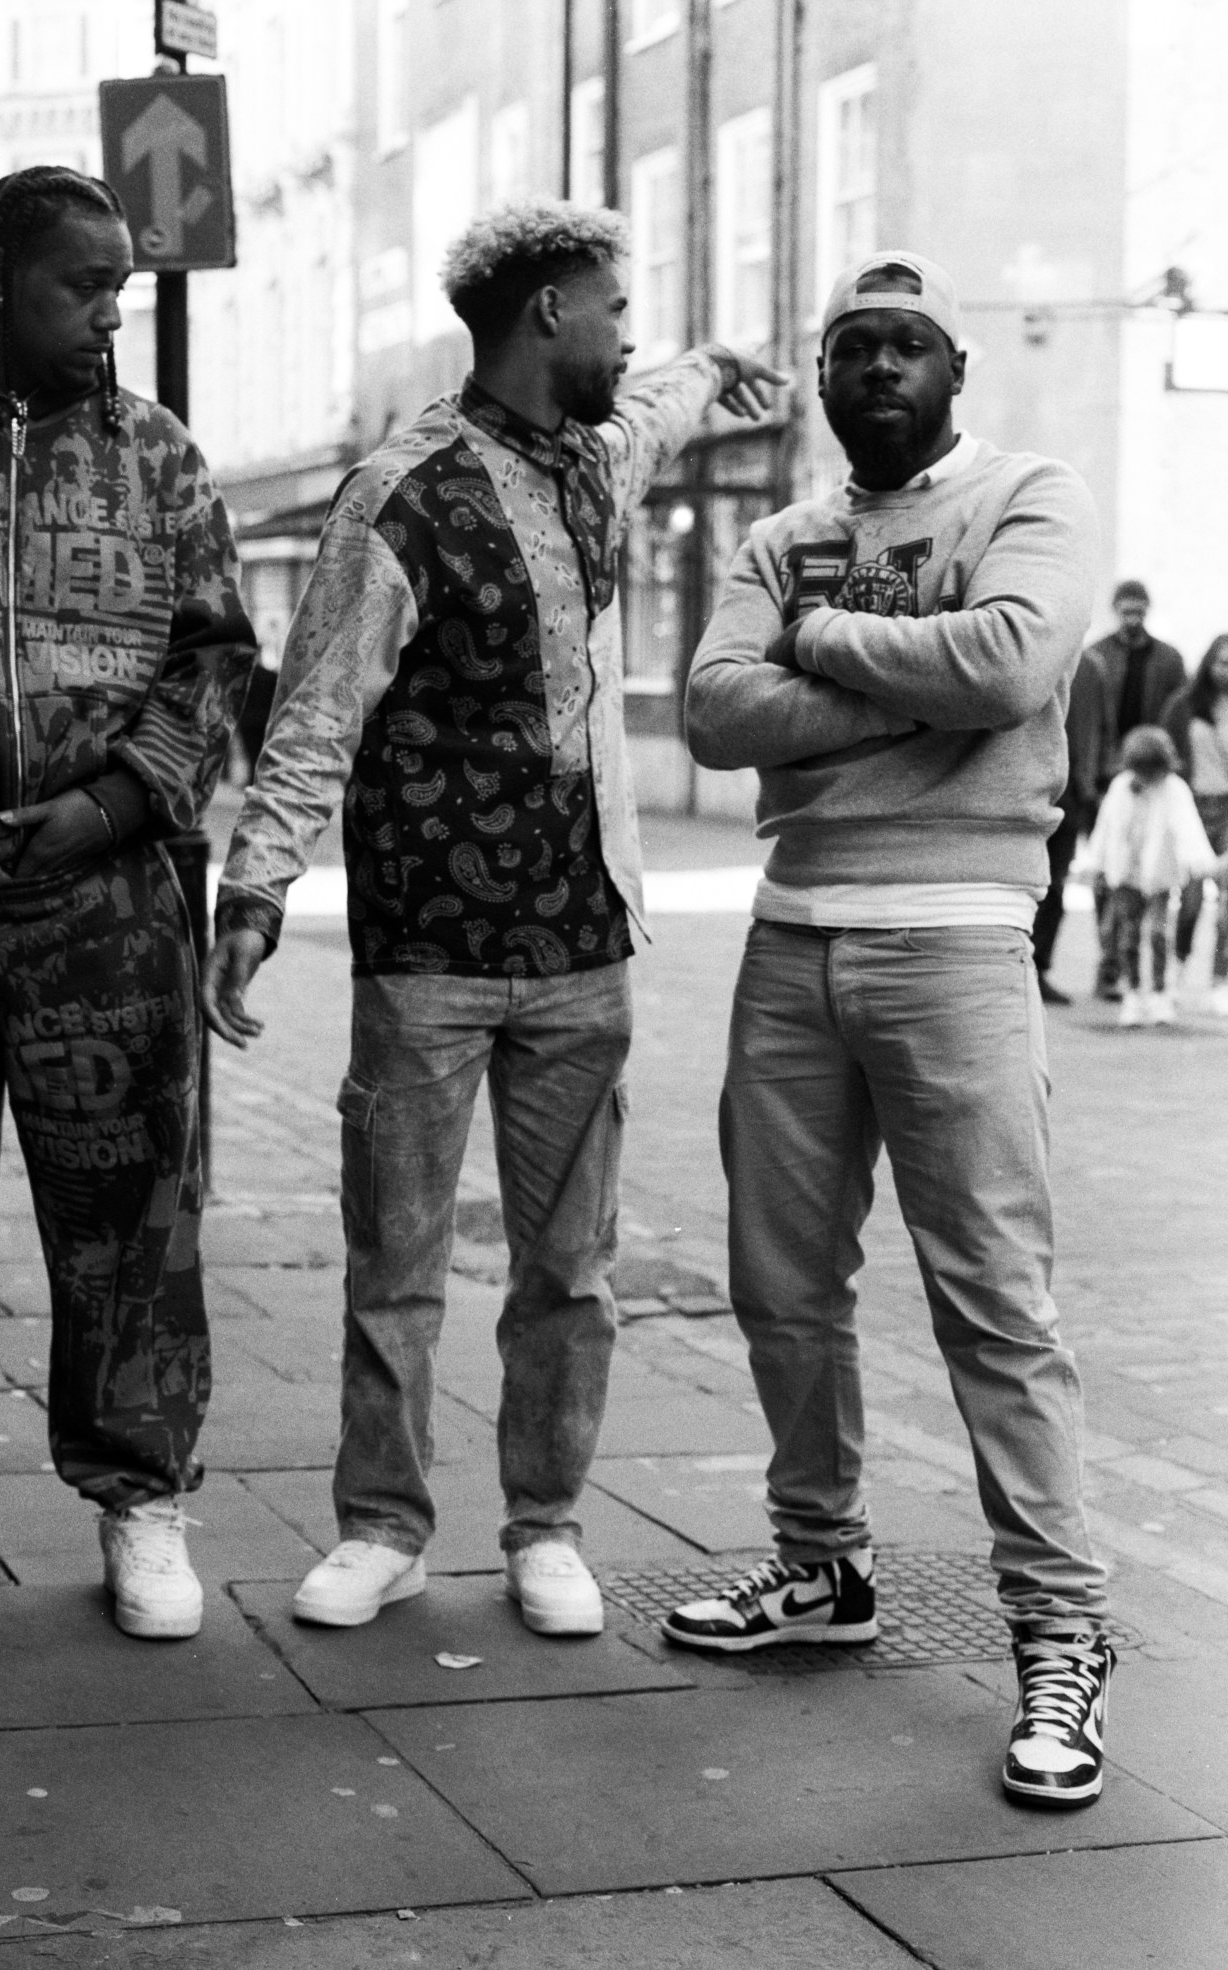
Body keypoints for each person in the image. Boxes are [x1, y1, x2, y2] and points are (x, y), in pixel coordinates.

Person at [204, 199, 788, 1635]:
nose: (625, 332)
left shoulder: (596, 457)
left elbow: (657, 404)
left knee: (572, 1272)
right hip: (430, 953)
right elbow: (318, 707)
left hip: (584, 942)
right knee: (394, 1263)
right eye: (613, 306)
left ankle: (546, 1526)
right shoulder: (402, 492)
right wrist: (257, 885)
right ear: (545, 316)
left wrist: (716, 365)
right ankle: (385, 1526)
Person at [677, 251, 1114, 1810]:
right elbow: (717, 715)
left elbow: (1012, 663)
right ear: (818, 379)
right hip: (793, 936)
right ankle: (822, 1567)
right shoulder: (783, 534)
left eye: (906, 347)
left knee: (994, 1298)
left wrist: (820, 646)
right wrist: (921, 687)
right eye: (849, 347)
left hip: (961, 936)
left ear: (952, 375)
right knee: (783, 1282)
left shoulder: (1029, 496)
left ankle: (1061, 1633)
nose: (875, 367)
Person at [0, 167, 257, 1641]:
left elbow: (214, 659)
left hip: (111, 895)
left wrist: (118, 798)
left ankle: (141, 1489)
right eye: (83, 285)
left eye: (123, 290)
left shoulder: (157, 454)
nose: (107, 315)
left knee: (131, 1209)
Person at [1077, 581, 1185, 999]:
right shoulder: (1096, 655)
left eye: (1139, 611)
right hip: (1106, 778)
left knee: (1151, 872)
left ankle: (1142, 969)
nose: (1133, 619)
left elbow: (1176, 716)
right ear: (1115, 610)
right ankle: (1111, 968)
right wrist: (1091, 779)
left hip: (1153, 773)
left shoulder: (1168, 659)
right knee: (1110, 873)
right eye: (1126, 611)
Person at [1082, 725, 1216, 1026]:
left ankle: (1158, 994)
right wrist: (1096, 863)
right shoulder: (1121, 786)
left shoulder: (1174, 789)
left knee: (1158, 933)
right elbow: (1106, 827)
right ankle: (1131, 994)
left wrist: (1198, 860)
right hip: (1126, 874)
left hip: (1160, 876)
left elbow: (1187, 827)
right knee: (1128, 935)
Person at [1157, 635, 1228, 1014]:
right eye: (1221, 662)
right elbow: (1162, 753)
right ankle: (1178, 968)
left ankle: (1221, 981)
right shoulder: (1184, 705)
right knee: (1191, 900)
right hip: (1194, 808)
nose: (1226, 671)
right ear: (1208, 664)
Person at [1030, 646, 1100, 1006]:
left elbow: (1100, 727)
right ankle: (1016, 968)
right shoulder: (1032, 650)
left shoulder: (1089, 666)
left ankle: (1038, 967)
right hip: (1027, 786)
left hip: (1071, 791)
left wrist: (1090, 785)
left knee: (1055, 884)